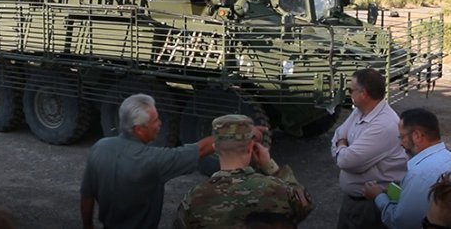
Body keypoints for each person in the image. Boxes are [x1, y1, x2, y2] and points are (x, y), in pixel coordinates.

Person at [80, 94, 267, 229]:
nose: (160, 123)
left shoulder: (99, 147)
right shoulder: (153, 160)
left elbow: (87, 196)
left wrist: (87, 226)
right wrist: (243, 132)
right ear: (138, 129)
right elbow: (201, 149)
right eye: (155, 120)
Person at [174, 114, 313, 228]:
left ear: (215, 148)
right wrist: (272, 168)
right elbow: (305, 206)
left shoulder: (195, 197)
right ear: (251, 147)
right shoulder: (278, 189)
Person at [330, 68, 407, 229]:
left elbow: (346, 161)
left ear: (364, 93)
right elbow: (337, 136)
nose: (349, 93)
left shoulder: (384, 125)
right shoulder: (359, 111)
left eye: (351, 89)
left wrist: (342, 146)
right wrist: (342, 146)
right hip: (353, 202)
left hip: (369, 207)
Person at [363, 108, 451, 229]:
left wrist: (378, 196)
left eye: (402, 137)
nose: (401, 143)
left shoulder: (419, 174)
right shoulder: (447, 157)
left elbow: (401, 222)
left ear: (417, 136)